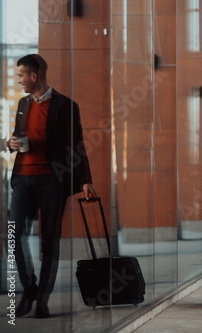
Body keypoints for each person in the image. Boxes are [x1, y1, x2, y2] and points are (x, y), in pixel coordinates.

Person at [7, 54, 97, 318]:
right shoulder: (23, 103)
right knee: (13, 236)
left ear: (34, 76)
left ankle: (42, 299)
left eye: (21, 75)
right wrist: (10, 143)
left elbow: (77, 145)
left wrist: (85, 180)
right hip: (23, 179)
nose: (19, 80)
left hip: (51, 181)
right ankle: (29, 288)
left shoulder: (66, 106)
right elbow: (18, 135)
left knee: (49, 241)